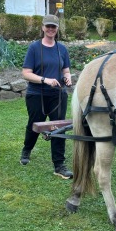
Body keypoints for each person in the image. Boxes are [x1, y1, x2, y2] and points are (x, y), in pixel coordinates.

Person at [20, 14, 74, 179]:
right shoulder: (34, 48)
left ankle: (59, 165)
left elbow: (65, 69)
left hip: (58, 95)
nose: (51, 29)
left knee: (59, 127)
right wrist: (45, 80)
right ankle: (27, 149)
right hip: (36, 94)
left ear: (57, 29)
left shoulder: (62, 49)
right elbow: (26, 74)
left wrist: (68, 77)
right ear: (43, 28)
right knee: (35, 124)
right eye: (48, 26)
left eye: (54, 27)